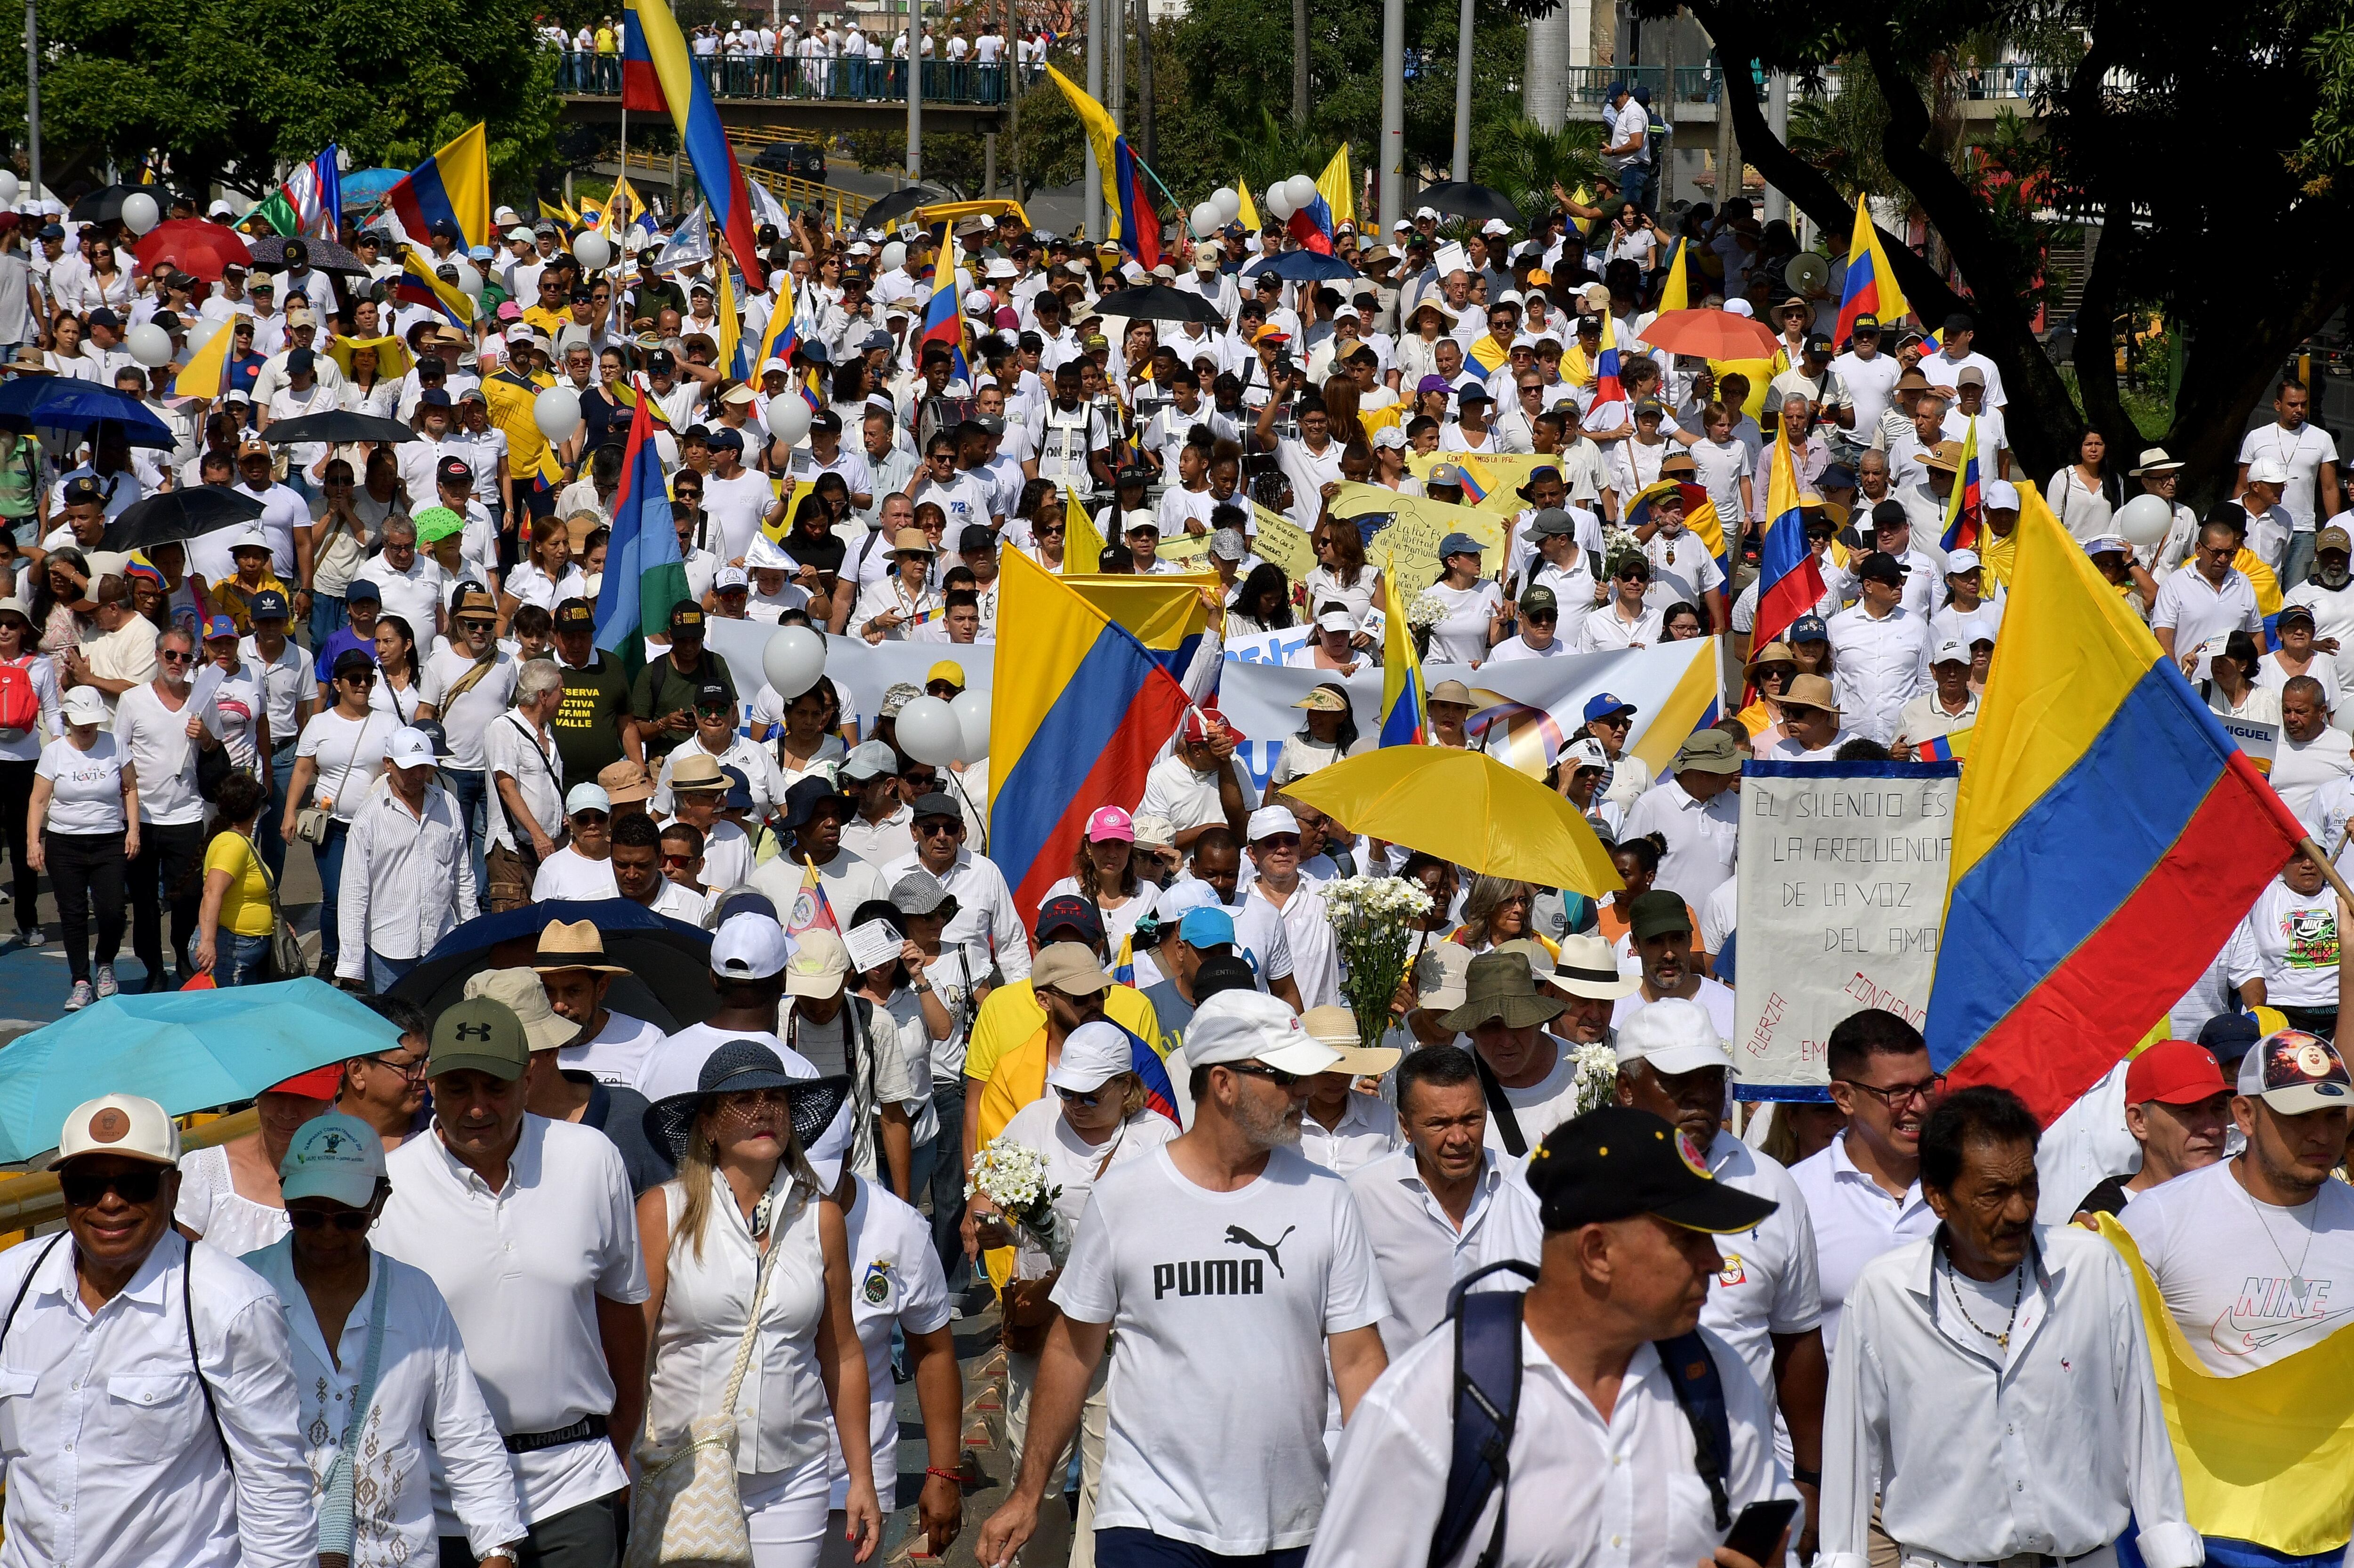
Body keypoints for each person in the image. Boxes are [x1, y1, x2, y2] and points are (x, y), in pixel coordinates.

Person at [973, 989, 1391, 1567]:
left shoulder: (1327, 1200)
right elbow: (1072, 1350)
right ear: (1222, 1083)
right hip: (1150, 1520)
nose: (1304, 1091)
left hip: (1293, 1522)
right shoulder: (1125, 1198)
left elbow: (1358, 1360)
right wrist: (1027, 1492)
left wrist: (1385, 1492)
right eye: (1284, 1077)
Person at [1307, 1104, 1792, 1568]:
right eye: (1689, 1239)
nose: (1714, 1260)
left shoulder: (1717, 1381)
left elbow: (1776, 1540)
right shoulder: (1431, 1402)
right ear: (1596, 1251)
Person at [1823, 1086, 2198, 1568]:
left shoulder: (2091, 1269)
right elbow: (1850, 1456)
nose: (2019, 1211)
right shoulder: (1884, 1294)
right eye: (1993, 1194)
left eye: (2028, 1186)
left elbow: (2140, 1422)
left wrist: (2172, 1553)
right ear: (1938, 1197)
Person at [371, 996, 651, 1568]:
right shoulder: (389, 1187)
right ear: (429, 1084)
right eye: (457, 1088)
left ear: (529, 1078)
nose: (477, 1108)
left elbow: (622, 1307)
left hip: (574, 1482)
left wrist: (618, 1439)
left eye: (495, 1087)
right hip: (440, 1493)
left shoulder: (591, 1159)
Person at [0, 1093, 316, 1568]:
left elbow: (273, 1487)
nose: (110, 1202)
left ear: (174, 1188)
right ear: (64, 1191)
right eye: (87, 1184)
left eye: (136, 1184)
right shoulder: (11, 1284)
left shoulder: (229, 1304)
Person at [635, 1041, 885, 1568]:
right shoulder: (663, 1212)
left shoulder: (821, 1218)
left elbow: (842, 1352)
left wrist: (860, 1476)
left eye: (775, 1098)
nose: (764, 1109)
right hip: (683, 1468)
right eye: (742, 1099)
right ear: (708, 1123)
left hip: (792, 1476)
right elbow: (632, 1349)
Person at [240, 1115, 529, 1568]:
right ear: (285, 1195)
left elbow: (465, 1432)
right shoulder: (239, 1291)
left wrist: (496, 1550)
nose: (329, 1233)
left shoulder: (417, 1296)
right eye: (310, 1216)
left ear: (380, 1202)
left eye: (350, 1217)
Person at [975, 1021, 1182, 1557]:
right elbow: (991, 1198)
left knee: (1106, 1478)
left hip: (1124, 1333)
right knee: (1035, 1472)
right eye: (1067, 1091)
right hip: (1046, 1328)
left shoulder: (1156, 1139)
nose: (1075, 1104)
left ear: (1125, 1088)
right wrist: (990, 1223)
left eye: (1090, 1094)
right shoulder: (1033, 1122)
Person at [1614, 1000, 1827, 1515]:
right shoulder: (1557, 1189)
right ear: (1625, 1089)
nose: (1699, 1097)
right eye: (1677, 1080)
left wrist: (1810, 1478)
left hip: (1743, 1497)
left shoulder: (1771, 1187)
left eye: (1711, 1078)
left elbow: (1797, 1342)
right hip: (1612, 1502)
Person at [1790, 1008, 1941, 1351]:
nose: (1918, 1105)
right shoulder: (1796, 1196)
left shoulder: (1967, 1183)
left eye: (1927, 1086)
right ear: (1844, 1097)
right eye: (1898, 1092)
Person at [336, 725, 474, 993]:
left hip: (440, 943)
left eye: (424, 767)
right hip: (389, 951)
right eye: (409, 768)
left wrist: (472, 933)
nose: (419, 775)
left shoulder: (449, 805)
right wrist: (352, 960)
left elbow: (463, 875)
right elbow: (354, 892)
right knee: (392, 1030)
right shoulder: (369, 817)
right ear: (388, 764)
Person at [113, 625, 214, 989]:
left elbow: (215, 749)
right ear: (158, 656)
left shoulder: (202, 700)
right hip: (142, 817)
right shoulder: (133, 700)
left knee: (188, 895)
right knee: (144, 902)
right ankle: (153, 966)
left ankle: (180, 951)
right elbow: (119, 756)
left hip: (186, 814)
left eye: (186, 657)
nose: (178, 662)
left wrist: (205, 736)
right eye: (171, 655)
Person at [286, 649, 394, 980]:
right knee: (336, 894)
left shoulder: (388, 722)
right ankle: (332, 956)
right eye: (355, 679)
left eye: (369, 679)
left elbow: (395, 768)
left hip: (376, 826)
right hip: (332, 827)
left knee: (370, 895)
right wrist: (289, 812)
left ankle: (361, 960)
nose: (363, 684)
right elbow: (303, 770)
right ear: (337, 683)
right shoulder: (320, 724)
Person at [28, 683, 136, 1009]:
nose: (87, 726)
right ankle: (80, 980)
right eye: (80, 720)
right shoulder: (55, 752)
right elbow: (38, 799)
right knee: (73, 914)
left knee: (113, 910)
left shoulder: (115, 744)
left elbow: (130, 788)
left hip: (108, 839)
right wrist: (34, 841)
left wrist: (134, 831)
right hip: (65, 843)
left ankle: (105, 962)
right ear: (68, 719)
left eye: (92, 719)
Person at [173, 1064, 338, 1255]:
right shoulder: (205, 1171)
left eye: (305, 1098)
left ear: (330, 1098)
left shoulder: (351, 1180)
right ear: (257, 1095)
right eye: (276, 1095)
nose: (287, 1112)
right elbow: (176, 1266)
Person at [1438, 950, 1581, 1158]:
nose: (1507, 1041)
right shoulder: (1446, 1083)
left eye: (1519, 1024)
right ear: (1469, 1030)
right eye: (1491, 1026)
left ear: (1539, 1022)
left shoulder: (1589, 1072)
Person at [2073, 1038, 2233, 1218]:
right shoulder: (2106, 1225)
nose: (2212, 1129)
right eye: (2189, 1111)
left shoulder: (2249, 1203)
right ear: (2139, 1121)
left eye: (2218, 1109)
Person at [535, 918, 669, 1090]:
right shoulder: (521, 1044)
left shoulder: (646, 1042)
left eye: (574, 991)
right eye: (549, 991)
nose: (559, 1006)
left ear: (602, 988)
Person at [1620, 729, 1741, 910]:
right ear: (1704, 773)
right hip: (1666, 932)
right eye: (1727, 769)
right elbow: (1627, 874)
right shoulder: (1650, 805)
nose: (1735, 774)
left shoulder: (1736, 803)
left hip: (1722, 933)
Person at [484, 659, 568, 912]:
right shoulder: (504, 728)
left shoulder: (548, 732)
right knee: (515, 930)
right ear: (543, 695)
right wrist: (538, 834)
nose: (565, 696)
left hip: (547, 848)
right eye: (561, 690)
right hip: (514, 850)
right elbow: (507, 788)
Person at [1293, 1007, 1402, 1177]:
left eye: (1346, 1069)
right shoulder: (1280, 1120)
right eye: (1326, 1071)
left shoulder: (1381, 1117)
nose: (1337, 1078)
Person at [193, 768, 275, 985]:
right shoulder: (233, 845)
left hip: (241, 946)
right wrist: (209, 943)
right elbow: (212, 892)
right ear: (256, 811)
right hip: (232, 946)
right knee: (226, 1009)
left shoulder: (240, 842)